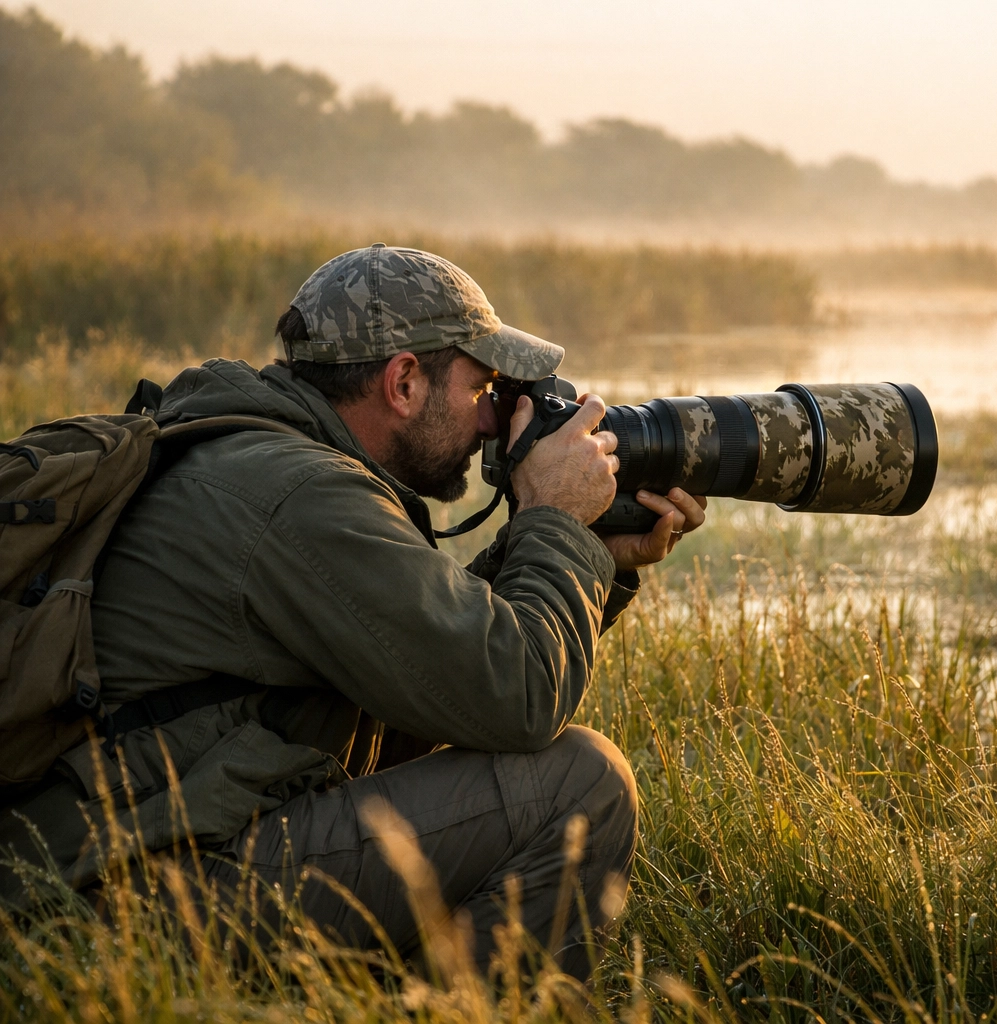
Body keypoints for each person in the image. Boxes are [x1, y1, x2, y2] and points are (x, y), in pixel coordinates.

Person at [0, 244, 706, 979]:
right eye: (484, 386)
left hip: (94, 867)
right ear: (403, 381)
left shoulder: (255, 454)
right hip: (118, 903)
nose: (496, 421)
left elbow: (425, 688)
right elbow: (517, 695)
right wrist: (555, 521)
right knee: (579, 786)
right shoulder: (298, 495)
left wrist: (596, 558)